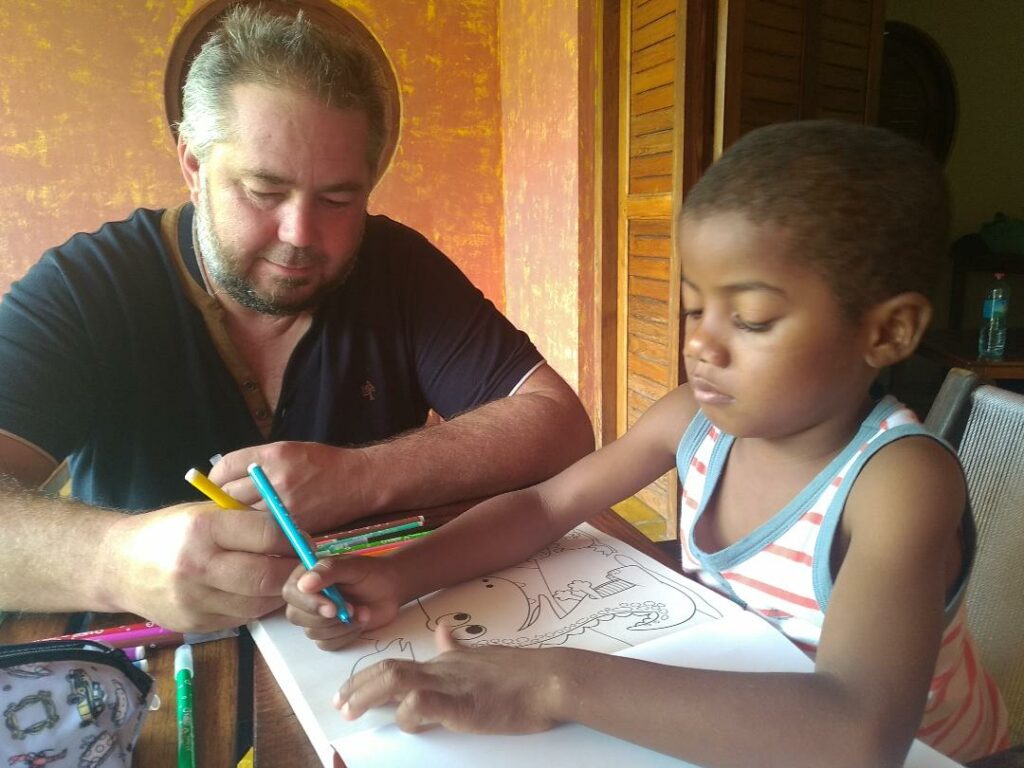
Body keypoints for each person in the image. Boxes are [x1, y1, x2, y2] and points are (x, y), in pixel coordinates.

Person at [281, 120, 1010, 766]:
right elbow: (544, 506)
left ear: (887, 332)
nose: (702, 346)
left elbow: (857, 735)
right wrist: (399, 575)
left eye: (751, 320)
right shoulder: (694, 420)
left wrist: (553, 682)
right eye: (694, 308)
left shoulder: (899, 481)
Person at [0, 6, 592, 633]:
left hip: (368, 630)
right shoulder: (86, 286)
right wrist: (112, 560)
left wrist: (363, 476)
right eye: (263, 191)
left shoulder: (399, 266)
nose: (300, 235)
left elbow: (560, 426)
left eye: (338, 199)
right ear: (193, 165)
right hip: (154, 653)